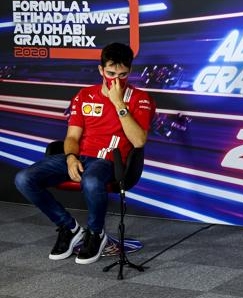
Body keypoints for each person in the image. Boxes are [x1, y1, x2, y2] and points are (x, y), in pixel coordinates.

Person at [14, 43, 156, 265]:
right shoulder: (84, 95)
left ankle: (96, 234)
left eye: (122, 74)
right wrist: (70, 157)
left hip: (109, 160)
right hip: (79, 156)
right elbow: (71, 137)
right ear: (101, 70)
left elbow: (139, 140)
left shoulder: (140, 98)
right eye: (110, 73)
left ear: (130, 72)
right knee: (24, 178)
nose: (115, 80)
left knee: (91, 180)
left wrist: (118, 102)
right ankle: (70, 228)